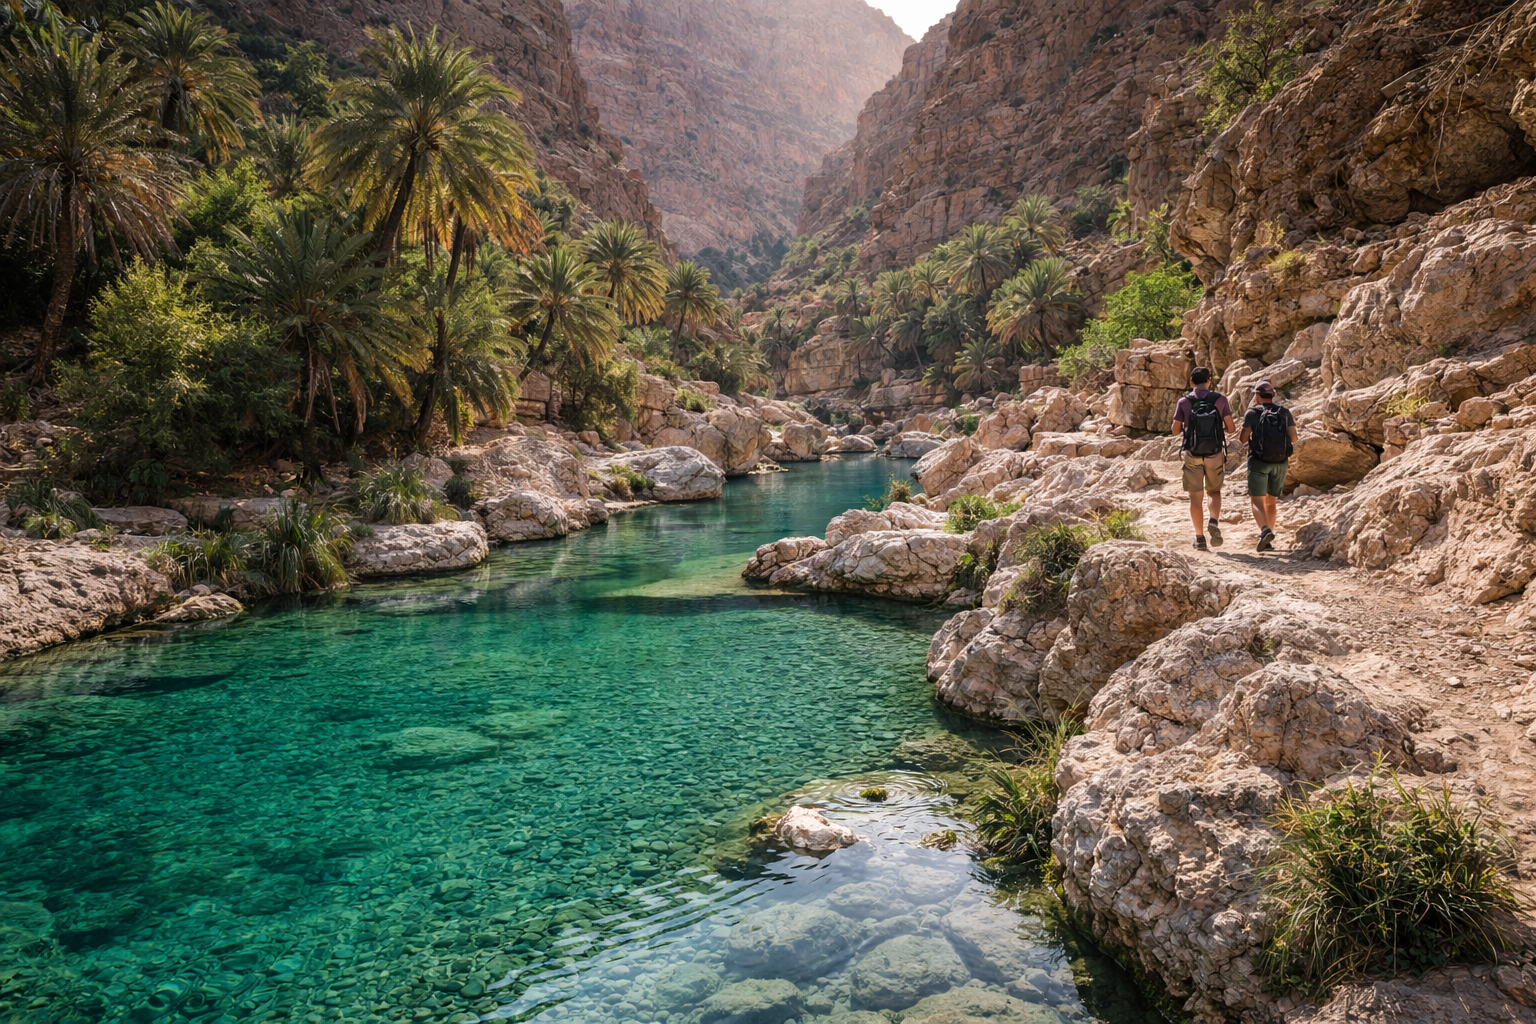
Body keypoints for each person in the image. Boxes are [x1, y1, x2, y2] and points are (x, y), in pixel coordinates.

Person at [1171, 366, 1235, 551]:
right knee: (1214, 492)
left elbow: (1175, 430)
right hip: (1214, 452)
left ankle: (1199, 538)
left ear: (1191, 382)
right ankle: (1213, 520)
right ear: (1209, 381)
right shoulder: (1220, 399)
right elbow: (1231, 429)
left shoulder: (1184, 401)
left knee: (1195, 497)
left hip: (1192, 453)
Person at [1238, 379, 1298, 551]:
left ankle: (1264, 531)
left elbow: (1242, 439)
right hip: (1280, 462)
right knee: (1271, 501)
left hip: (1258, 462)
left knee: (1257, 500)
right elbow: (1294, 438)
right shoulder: (1284, 412)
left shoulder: (1252, 414)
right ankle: (1269, 537)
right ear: (1272, 395)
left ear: (1257, 395)